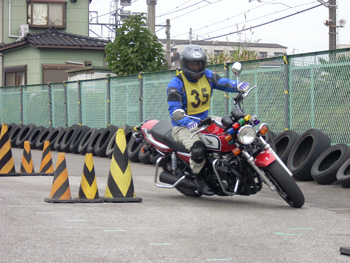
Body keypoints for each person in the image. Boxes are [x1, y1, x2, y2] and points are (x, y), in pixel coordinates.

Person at [166, 44, 250, 196]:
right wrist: (186, 121)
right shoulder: (176, 83)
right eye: (193, 64)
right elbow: (174, 110)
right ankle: (199, 178)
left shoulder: (207, 75)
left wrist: (238, 86)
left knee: (236, 128)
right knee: (198, 149)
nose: (197, 67)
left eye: (199, 63)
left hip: (205, 120)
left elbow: (223, 82)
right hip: (183, 126)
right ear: (185, 64)